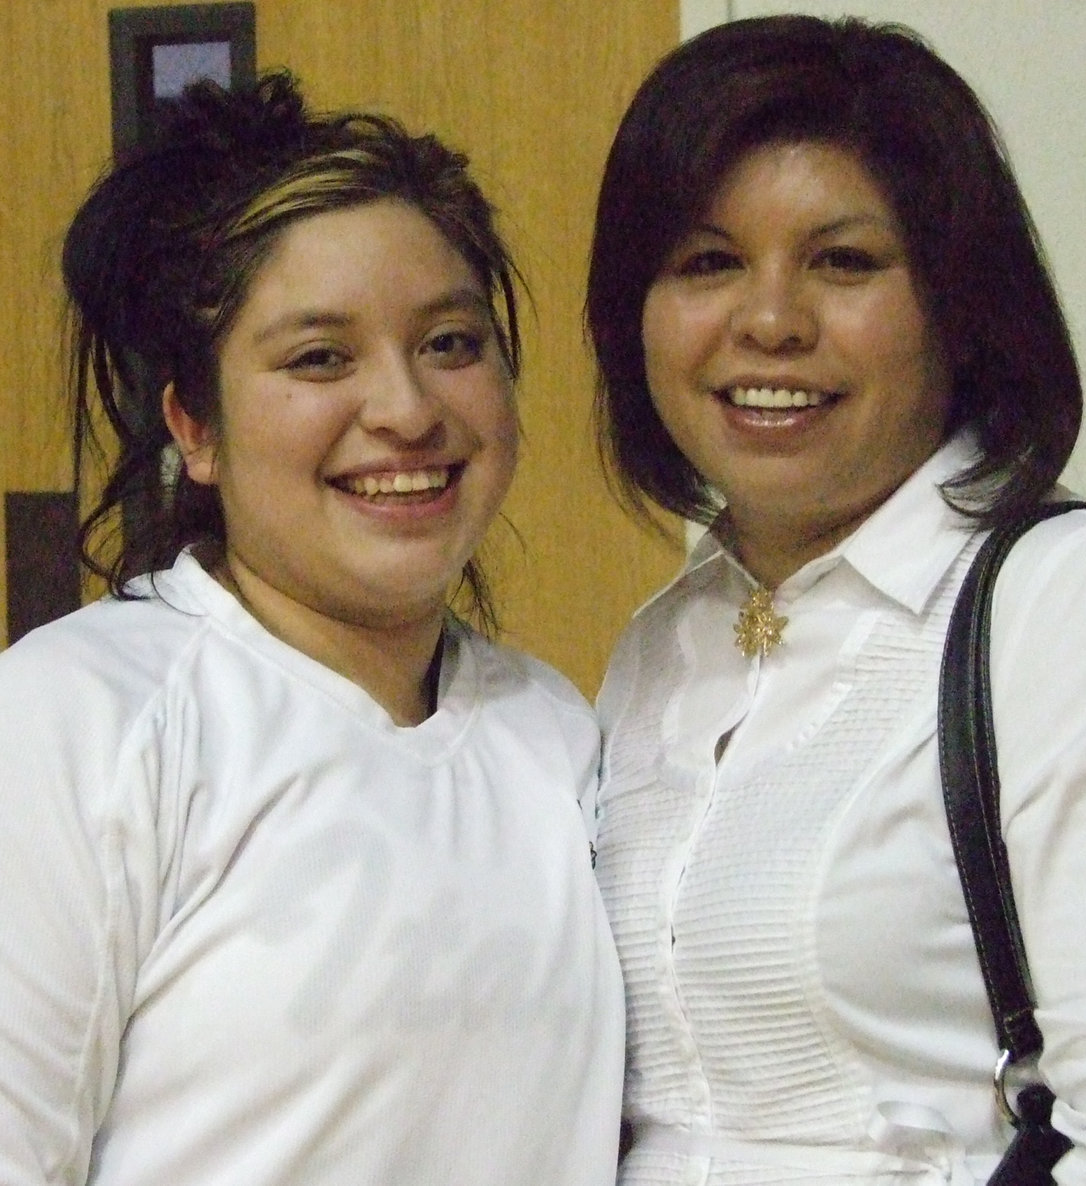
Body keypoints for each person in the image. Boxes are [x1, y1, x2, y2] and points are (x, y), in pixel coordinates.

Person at [586, 14, 1086, 1185]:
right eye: (708, 262)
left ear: (956, 305)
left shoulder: (1076, 604)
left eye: (844, 262)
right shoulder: (658, 645)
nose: (770, 321)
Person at [0, 70, 623, 1185]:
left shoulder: (558, 731)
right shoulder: (76, 717)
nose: (407, 409)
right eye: (319, 358)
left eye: (449, 342)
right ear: (194, 425)